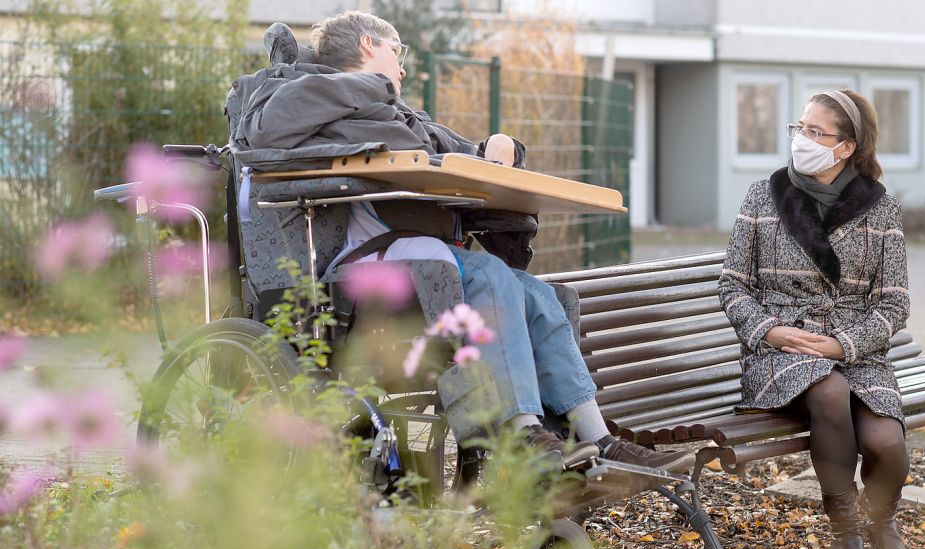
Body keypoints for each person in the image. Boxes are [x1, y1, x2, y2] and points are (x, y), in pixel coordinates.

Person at [242, 11, 693, 472]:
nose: (402, 66)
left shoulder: (397, 115)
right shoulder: (311, 93)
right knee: (493, 276)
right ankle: (520, 433)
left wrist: (497, 148)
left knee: (536, 294)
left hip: (422, 253)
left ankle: (596, 436)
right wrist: (375, 85)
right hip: (367, 262)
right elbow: (264, 128)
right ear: (367, 44)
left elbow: (456, 151)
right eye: (397, 50)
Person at [718, 89, 909, 549]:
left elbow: (894, 305)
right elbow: (732, 285)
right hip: (781, 351)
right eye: (799, 128)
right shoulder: (765, 193)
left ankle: (881, 520)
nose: (801, 138)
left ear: (845, 148)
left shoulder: (881, 209)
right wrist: (768, 330)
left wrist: (843, 345)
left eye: (814, 132)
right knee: (829, 391)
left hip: (856, 353)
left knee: (885, 442)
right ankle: (846, 532)